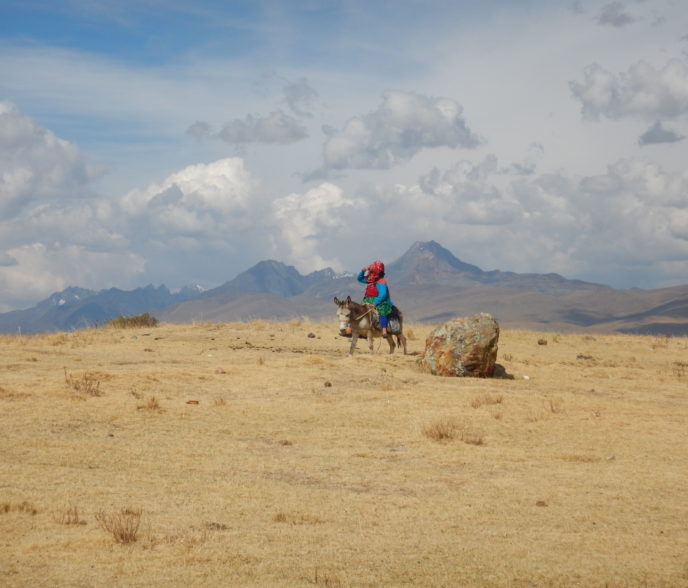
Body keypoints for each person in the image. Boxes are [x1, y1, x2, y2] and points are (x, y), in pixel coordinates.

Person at [357, 260, 394, 337]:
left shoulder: (381, 281)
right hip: (367, 300)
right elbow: (359, 279)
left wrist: (375, 303)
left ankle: (384, 329)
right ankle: (351, 328)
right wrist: (363, 272)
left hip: (379, 301)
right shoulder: (370, 280)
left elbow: (383, 294)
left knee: (382, 310)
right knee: (357, 310)